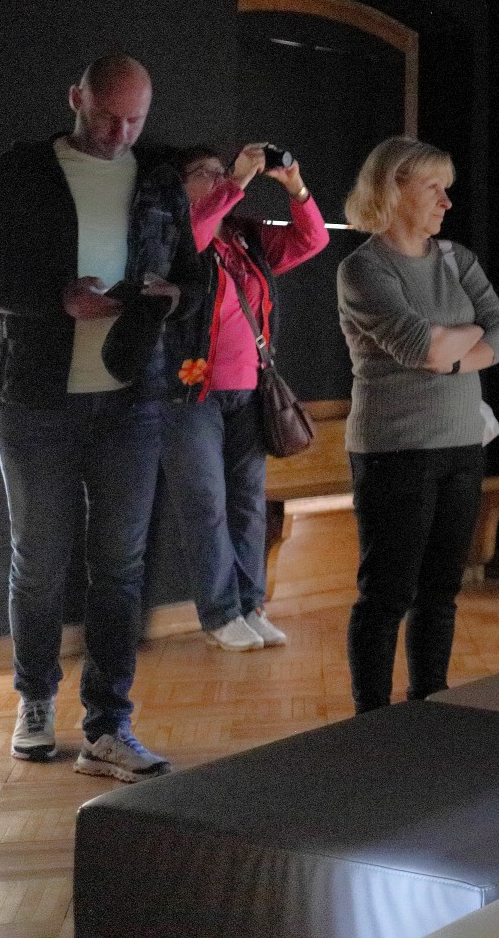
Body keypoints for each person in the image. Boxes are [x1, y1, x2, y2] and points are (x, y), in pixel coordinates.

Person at [0, 54, 201, 780]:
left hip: (131, 398)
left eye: (135, 120)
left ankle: (108, 726)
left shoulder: (158, 177)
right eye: (107, 117)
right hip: (35, 400)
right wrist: (56, 297)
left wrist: (173, 296)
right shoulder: (22, 170)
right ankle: (34, 701)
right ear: (75, 100)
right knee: (39, 562)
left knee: (120, 566)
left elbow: (196, 276)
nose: (120, 134)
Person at [336, 137, 499, 713]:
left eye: (447, 188)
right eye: (433, 188)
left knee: (441, 590)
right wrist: (465, 338)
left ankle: (429, 703)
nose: (446, 201)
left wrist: (454, 349)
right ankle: (371, 717)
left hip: (462, 443)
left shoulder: (457, 260)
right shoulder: (364, 268)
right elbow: (421, 347)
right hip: (396, 450)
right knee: (387, 593)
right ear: (394, 189)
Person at [161, 143, 328, 652]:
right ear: (180, 186)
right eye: (206, 173)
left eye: (223, 172)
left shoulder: (244, 236)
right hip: (191, 392)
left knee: (249, 506)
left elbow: (312, 239)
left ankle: (252, 606)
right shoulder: (173, 232)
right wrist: (235, 181)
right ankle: (220, 613)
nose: (220, 179)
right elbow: (191, 238)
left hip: (249, 390)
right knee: (206, 505)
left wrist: (295, 186)